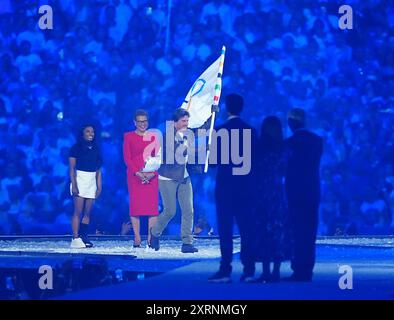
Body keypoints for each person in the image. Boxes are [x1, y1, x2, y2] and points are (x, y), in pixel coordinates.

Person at [208, 93, 258, 283]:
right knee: (247, 229)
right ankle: (249, 268)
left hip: (225, 188)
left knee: (225, 230)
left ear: (227, 108)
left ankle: (225, 268)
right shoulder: (251, 131)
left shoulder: (219, 131)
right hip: (245, 188)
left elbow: (212, 163)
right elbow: (256, 161)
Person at [150, 108, 199, 253]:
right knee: (170, 211)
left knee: (188, 210)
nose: (186, 123)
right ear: (175, 122)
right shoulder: (167, 137)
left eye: (187, 121)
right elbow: (173, 157)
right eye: (183, 121)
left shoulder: (188, 134)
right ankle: (155, 233)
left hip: (183, 177)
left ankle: (187, 242)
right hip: (168, 178)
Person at [284, 108, 323, 281]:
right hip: (312, 192)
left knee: (297, 231)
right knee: (310, 231)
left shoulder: (288, 143)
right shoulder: (317, 141)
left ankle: (298, 268)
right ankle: (308, 269)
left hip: (294, 193)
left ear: (291, 123)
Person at [254, 116, 290, 282]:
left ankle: (269, 271)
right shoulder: (282, 148)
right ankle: (272, 270)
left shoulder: (260, 147)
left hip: (266, 193)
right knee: (273, 232)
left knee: (268, 232)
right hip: (273, 193)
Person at [123, 109, 160, 248]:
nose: (142, 124)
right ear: (134, 122)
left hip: (152, 175)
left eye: (144, 121)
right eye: (139, 122)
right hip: (135, 176)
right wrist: (137, 173)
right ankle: (137, 237)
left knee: (152, 208)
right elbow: (127, 158)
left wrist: (152, 174)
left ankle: (151, 237)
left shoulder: (154, 137)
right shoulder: (128, 137)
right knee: (136, 207)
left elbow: (158, 157)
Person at [69, 125, 102, 248]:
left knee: (88, 212)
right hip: (80, 179)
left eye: (92, 131)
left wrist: (99, 186)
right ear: (82, 133)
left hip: (91, 180)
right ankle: (75, 237)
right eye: (88, 131)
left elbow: (99, 170)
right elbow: (72, 168)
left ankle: (84, 236)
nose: (91, 133)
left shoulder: (96, 148)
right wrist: (74, 185)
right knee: (78, 211)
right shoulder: (75, 148)